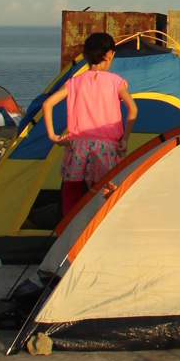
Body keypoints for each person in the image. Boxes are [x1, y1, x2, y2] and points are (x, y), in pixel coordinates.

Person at [43, 32, 137, 224]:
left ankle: (69, 226)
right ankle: (97, 226)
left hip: (78, 146)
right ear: (109, 54)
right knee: (102, 189)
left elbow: (48, 104)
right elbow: (133, 109)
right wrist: (125, 138)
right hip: (106, 148)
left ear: (86, 56)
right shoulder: (116, 82)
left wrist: (53, 136)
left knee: (71, 189)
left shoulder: (74, 82)